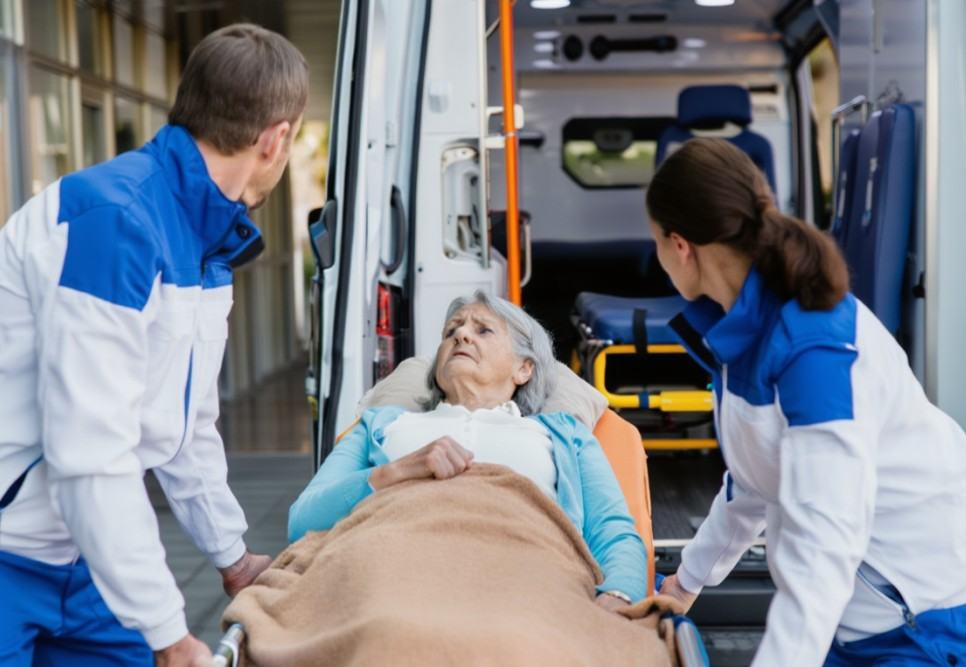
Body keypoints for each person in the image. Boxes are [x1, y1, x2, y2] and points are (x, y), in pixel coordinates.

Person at [0, 23, 308, 667]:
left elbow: (185, 426)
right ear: (276, 139)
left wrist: (233, 557)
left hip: (84, 555)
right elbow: (91, 454)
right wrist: (171, 635)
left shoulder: (209, 239)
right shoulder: (114, 222)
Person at [648, 138, 966, 666]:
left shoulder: (814, 346)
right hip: (861, 622)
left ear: (680, 245)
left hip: (937, 621)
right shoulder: (744, 328)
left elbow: (825, 542)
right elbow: (754, 482)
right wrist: (685, 582)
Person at [287, 291, 648, 608]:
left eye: (483, 330)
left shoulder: (562, 434)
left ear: (524, 369)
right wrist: (396, 472)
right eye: (451, 332)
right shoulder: (381, 425)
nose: (460, 334)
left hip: (528, 580)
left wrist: (616, 597)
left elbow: (613, 531)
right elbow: (302, 521)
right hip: (393, 573)